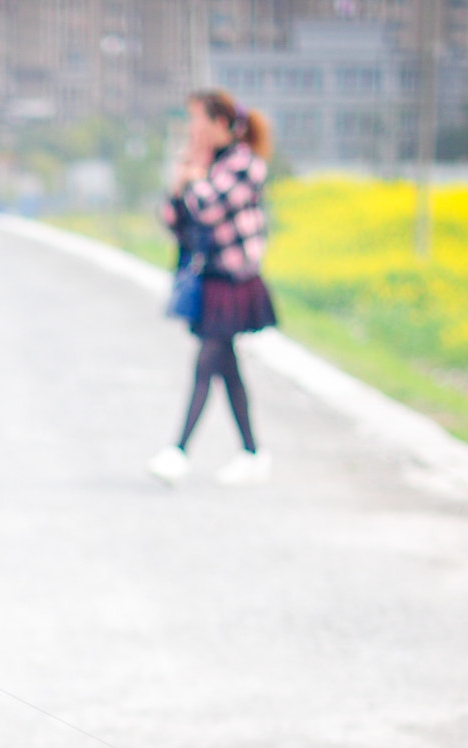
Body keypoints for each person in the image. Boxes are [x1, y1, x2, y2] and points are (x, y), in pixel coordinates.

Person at [149, 89, 279, 488]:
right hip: (208, 279)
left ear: (219, 123)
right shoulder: (201, 164)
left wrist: (194, 177)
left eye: (196, 119)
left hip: (235, 280)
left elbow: (208, 207)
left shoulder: (245, 164)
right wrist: (184, 179)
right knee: (226, 367)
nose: (191, 128)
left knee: (208, 361)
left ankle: (179, 451)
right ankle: (253, 453)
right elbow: (173, 218)